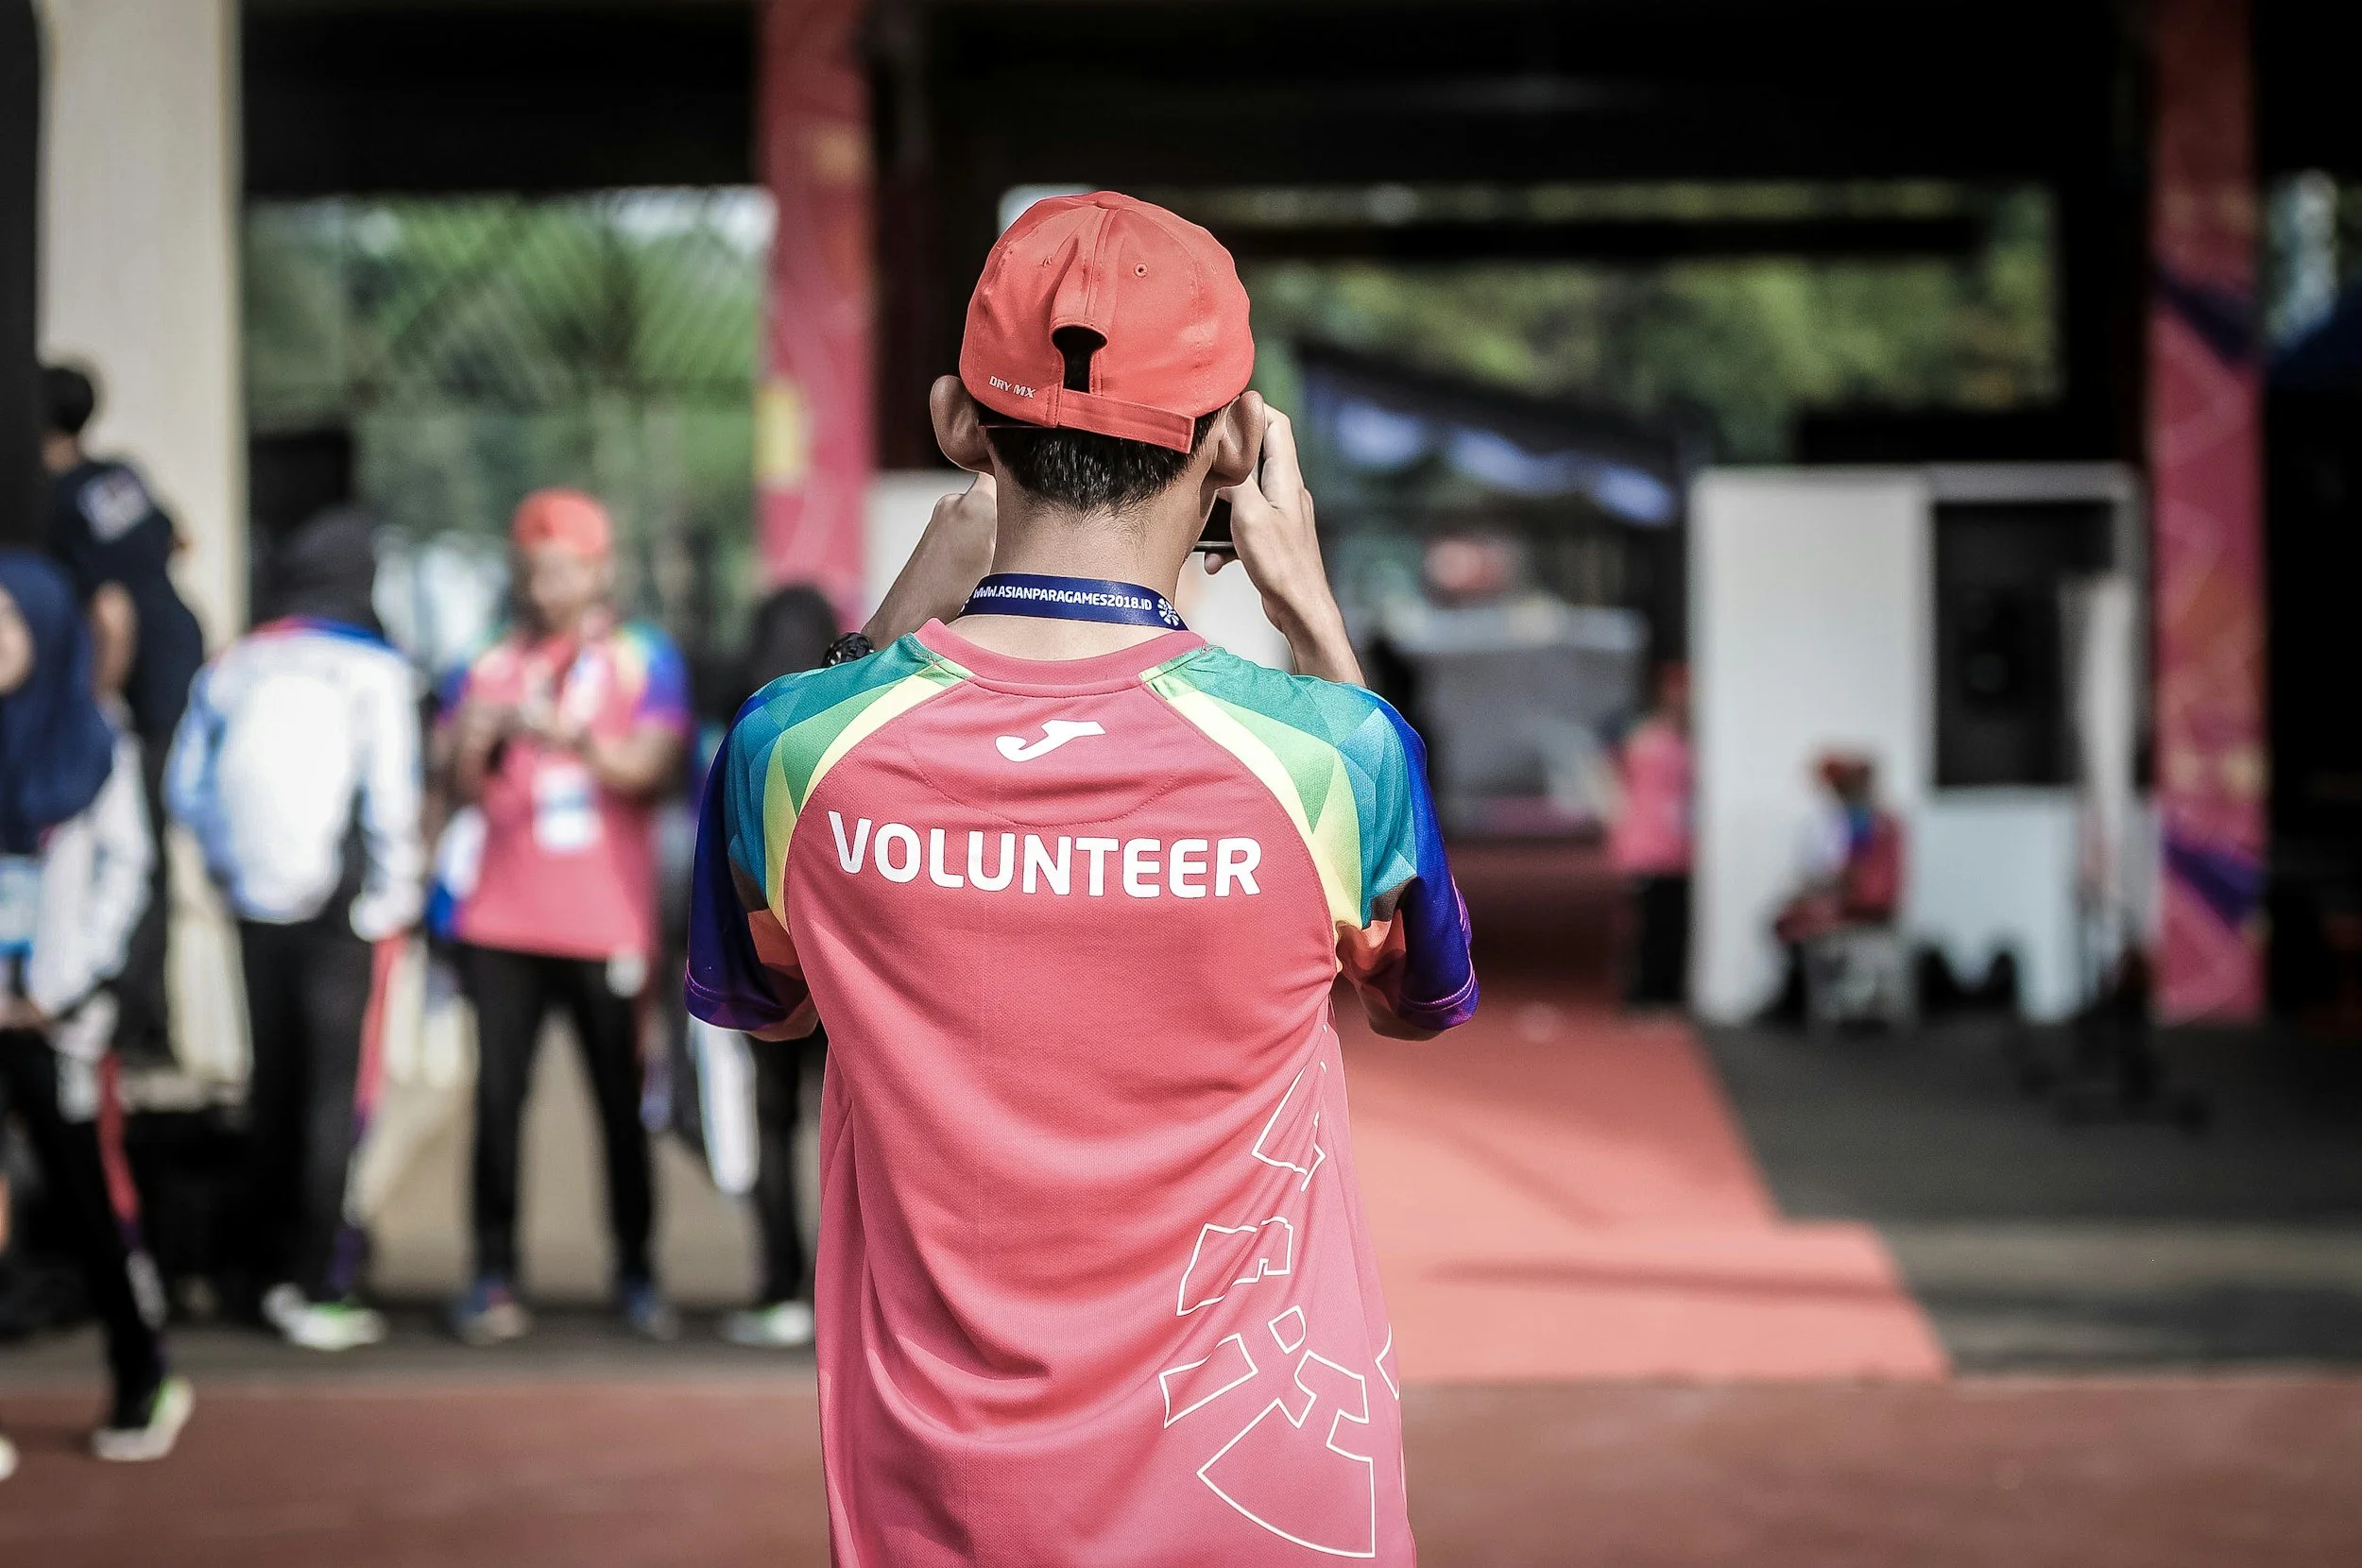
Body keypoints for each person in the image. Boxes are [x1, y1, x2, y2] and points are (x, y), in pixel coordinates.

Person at [688, 193, 1478, 1564]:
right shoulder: (1335, 752)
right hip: (1269, 1502)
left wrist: (889, 630)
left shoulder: (792, 746)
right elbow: (1418, 999)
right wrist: (1315, 621)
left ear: (955, 423)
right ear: (1236, 445)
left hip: (943, 1513)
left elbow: (774, 1007)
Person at [165, 507, 422, 1351]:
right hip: (339, 916)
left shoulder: (236, 662)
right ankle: (316, 1282)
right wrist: (390, 901)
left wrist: (228, 874)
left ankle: (257, 1274)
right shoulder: (373, 670)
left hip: (256, 910)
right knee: (328, 1099)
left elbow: (185, 786)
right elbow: (392, 798)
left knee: (269, 1086)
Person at [441, 489, 690, 1345]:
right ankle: (493, 1272)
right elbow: (454, 780)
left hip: (604, 922)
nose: (546, 584)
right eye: (534, 567)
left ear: (598, 569)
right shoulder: (484, 660)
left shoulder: (640, 657)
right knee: (498, 1105)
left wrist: (570, 735)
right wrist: (473, 739)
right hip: (499, 920)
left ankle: (637, 1272)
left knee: (620, 1107)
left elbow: (650, 767)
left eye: (563, 567)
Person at [0, 552, 191, 1466]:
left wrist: (72, 984)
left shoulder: (93, 737)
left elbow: (128, 870)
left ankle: (142, 1371)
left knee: (86, 1199)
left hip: (57, 1016)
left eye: (5, 621)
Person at [40, 363, 206, 1068]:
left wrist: (97, 706)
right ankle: (148, 1018)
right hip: (178, 665)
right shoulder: (117, 476)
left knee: (130, 852)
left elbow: (113, 613)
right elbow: (179, 539)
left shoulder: (53, 499)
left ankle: (136, 1020)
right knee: (152, 853)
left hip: (139, 686)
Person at [711, 584, 838, 1350]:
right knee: (861, 1125)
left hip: (768, 954)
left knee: (772, 1119)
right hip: (845, 963)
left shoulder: (751, 714)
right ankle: (850, 1286)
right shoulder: (850, 708)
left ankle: (777, 1283)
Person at [1609, 662, 1693, 1008]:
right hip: (1646, 847)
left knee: (1671, 923)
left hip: (1679, 849)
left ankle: (1663, 991)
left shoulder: (1683, 742)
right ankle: (1641, 994)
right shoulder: (1645, 740)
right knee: (1646, 925)